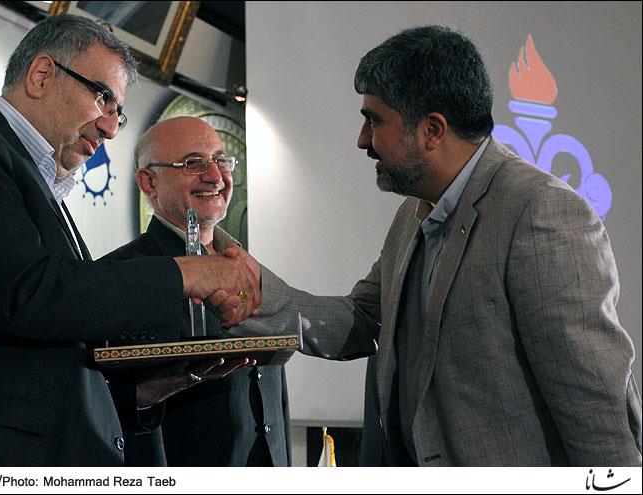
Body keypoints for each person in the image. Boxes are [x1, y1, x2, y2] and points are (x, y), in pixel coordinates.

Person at [230, 25, 642, 466]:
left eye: (375, 120)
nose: (362, 139)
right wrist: (249, 291)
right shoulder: (413, 214)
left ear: (432, 129)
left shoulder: (540, 211)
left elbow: (596, 410)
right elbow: (362, 319)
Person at [0, 14, 260, 466]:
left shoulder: (38, 179)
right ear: (42, 75)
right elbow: (23, 294)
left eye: (117, 112)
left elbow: (55, 346)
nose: (110, 129)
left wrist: (148, 389)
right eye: (102, 98)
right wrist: (185, 273)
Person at [104, 116, 291, 466]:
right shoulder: (118, 277)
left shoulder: (249, 267)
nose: (215, 176)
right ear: (148, 182)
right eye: (193, 163)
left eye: (220, 160)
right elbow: (102, 405)